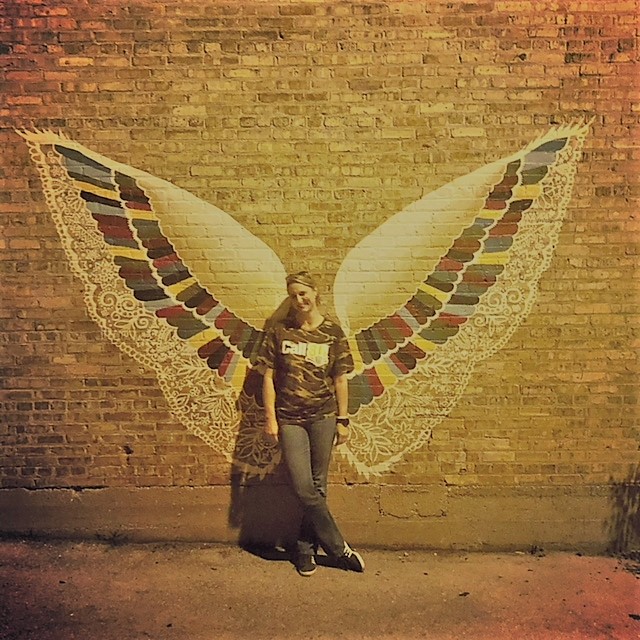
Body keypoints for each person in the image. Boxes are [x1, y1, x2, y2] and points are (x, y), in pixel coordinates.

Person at [258, 270, 365, 577]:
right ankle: (339, 548)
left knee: (318, 485)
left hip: (324, 417)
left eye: (303, 293)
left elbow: (341, 379)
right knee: (303, 486)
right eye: (293, 295)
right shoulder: (280, 331)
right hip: (290, 418)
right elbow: (268, 378)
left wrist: (343, 420)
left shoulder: (333, 332)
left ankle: (305, 551)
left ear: (315, 293)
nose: (299, 299)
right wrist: (270, 419)